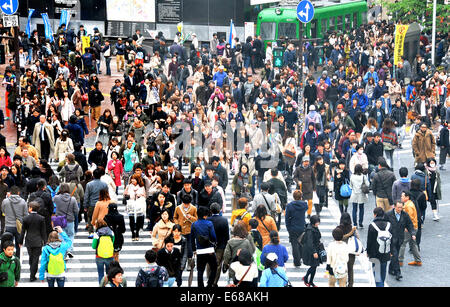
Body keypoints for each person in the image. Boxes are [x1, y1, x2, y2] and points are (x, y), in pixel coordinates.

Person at [385, 202, 416, 281]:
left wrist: (412, 233)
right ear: (394, 206)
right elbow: (384, 224)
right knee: (395, 255)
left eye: (401, 207)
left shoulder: (405, 215)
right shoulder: (388, 214)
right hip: (391, 239)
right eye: (398, 207)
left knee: (396, 254)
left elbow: (409, 225)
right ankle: (398, 273)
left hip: (400, 239)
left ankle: (390, 268)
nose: (400, 209)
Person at [18, 201, 46, 282]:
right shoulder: (41, 218)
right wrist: (45, 242)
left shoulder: (26, 218)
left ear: (30, 208)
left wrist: (20, 242)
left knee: (31, 257)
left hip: (29, 240)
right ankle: (32, 275)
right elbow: (43, 232)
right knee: (36, 258)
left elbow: (23, 231)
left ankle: (32, 272)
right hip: (38, 241)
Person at [190, 206, 217, 288]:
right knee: (214, 268)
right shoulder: (209, 223)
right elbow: (213, 236)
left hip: (200, 250)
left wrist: (194, 250)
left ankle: (200, 286)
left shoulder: (194, 224)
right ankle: (209, 284)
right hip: (209, 250)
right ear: (205, 215)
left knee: (200, 270)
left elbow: (192, 239)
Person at [53, 183, 79, 258]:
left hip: (60, 220)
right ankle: (69, 250)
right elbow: (76, 211)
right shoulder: (73, 199)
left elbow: (53, 201)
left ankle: (63, 251)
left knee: (61, 236)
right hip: (70, 220)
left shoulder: (56, 198)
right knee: (70, 235)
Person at [207, 202, 230, 287]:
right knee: (218, 264)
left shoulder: (208, 220)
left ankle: (209, 279)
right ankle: (214, 282)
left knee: (209, 264)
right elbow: (227, 235)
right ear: (220, 210)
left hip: (209, 246)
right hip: (221, 246)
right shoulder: (224, 220)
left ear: (211, 210)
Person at [366, 207, 391, 287]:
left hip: (375, 254)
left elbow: (369, 241)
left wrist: (368, 252)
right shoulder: (389, 225)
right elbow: (392, 239)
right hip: (385, 252)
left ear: (375, 214)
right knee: (383, 274)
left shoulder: (372, 226)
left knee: (377, 276)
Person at [1, 186, 28, 257]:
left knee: (8, 245)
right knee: (18, 244)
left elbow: (3, 211)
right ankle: (17, 260)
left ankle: (9, 260)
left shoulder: (5, 201)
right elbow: (26, 214)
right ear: (18, 193)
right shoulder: (23, 202)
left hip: (8, 226)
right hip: (19, 227)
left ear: (10, 193)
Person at [398, 191, 422, 267]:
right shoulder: (409, 204)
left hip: (409, 228)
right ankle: (418, 261)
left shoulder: (408, 206)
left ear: (407, 197)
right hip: (414, 227)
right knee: (413, 244)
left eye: (402, 196)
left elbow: (409, 219)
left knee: (403, 244)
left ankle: (400, 261)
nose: (401, 197)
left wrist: (406, 227)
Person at [285, 190, 307, 268]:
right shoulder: (304, 205)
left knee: (294, 244)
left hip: (292, 226)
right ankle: (301, 257)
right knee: (301, 243)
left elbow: (287, 218)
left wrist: (288, 228)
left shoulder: (290, 206)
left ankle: (296, 261)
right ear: (301, 197)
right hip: (302, 226)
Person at [336, 213, 360, 287]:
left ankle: (342, 284)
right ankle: (350, 284)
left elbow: (336, 239)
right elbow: (357, 239)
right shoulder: (352, 228)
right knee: (350, 269)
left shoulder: (338, 228)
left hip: (341, 252)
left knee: (341, 269)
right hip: (351, 251)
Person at [84, 168, 108, 238]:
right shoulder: (104, 184)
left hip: (92, 204)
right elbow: (107, 195)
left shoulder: (89, 184)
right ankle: (101, 230)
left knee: (90, 217)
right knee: (101, 218)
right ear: (100, 175)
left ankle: (91, 232)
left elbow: (86, 196)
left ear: (93, 175)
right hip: (102, 203)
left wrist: (85, 205)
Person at [301, 215, 322, 287]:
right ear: (313, 222)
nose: (318, 223)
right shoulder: (310, 230)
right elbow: (310, 243)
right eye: (317, 222)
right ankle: (306, 278)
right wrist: (314, 252)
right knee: (314, 266)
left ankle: (310, 281)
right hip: (311, 250)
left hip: (315, 249)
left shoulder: (314, 227)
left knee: (315, 266)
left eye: (318, 222)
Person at [125, 174, 147, 242]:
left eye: (134, 179)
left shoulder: (141, 187)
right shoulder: (128, 186)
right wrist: (127, 194)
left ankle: (137, 232)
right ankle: (132, 233)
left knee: (139, 220)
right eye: (132, 179)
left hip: (139, 205)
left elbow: (145, 196)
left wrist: (140, 195)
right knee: (131, 219)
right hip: (131, 204)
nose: (133, 180)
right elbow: (125, 194)